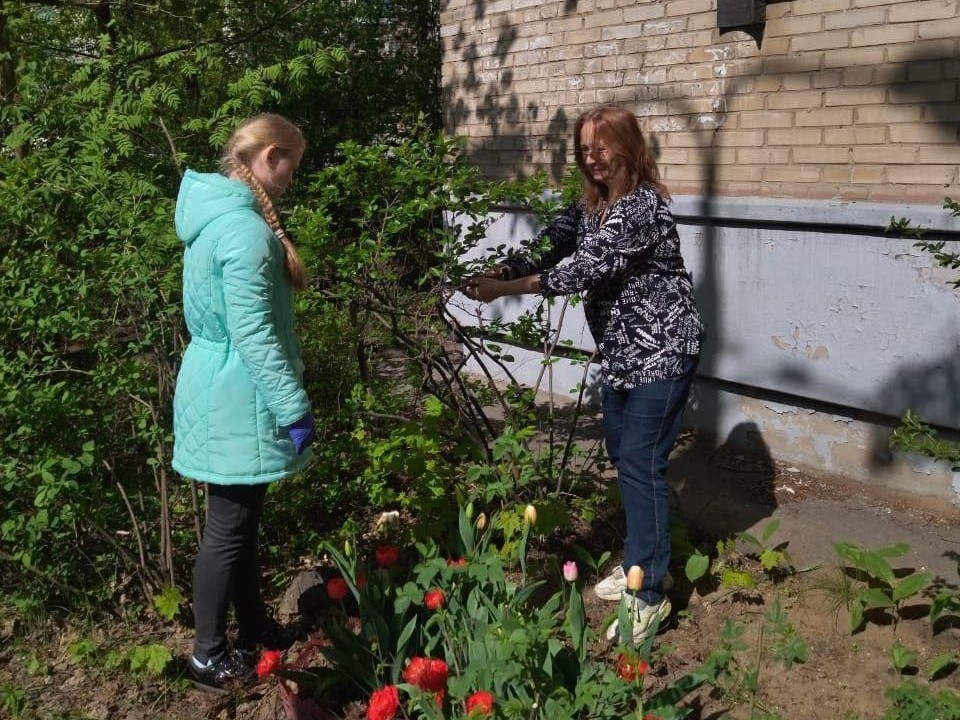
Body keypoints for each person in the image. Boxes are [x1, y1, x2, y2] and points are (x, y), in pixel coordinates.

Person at [463, 104, 703, 645]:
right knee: (626, 458)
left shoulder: (642, 208)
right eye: (584, 149)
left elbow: (581, 270)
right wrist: (505, 268)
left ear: (628, 146)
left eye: (602, 147)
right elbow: (556, 242)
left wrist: (506, 291)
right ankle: (640, 559)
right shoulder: (590, 204)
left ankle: (651, 591)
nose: (592, 159)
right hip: (623, 356)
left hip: (663, 354)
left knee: (642, 464)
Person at [172, 113, 316, 687]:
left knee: (241, 523)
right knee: (228, 528)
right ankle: (207, 654)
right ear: (270, 156)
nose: (291, 178)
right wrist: (293, 407)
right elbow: (254, 335)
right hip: (238, 392)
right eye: (292, 166)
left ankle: (254, 627)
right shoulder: (245, 233)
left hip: (221, 386)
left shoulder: (226, 219)